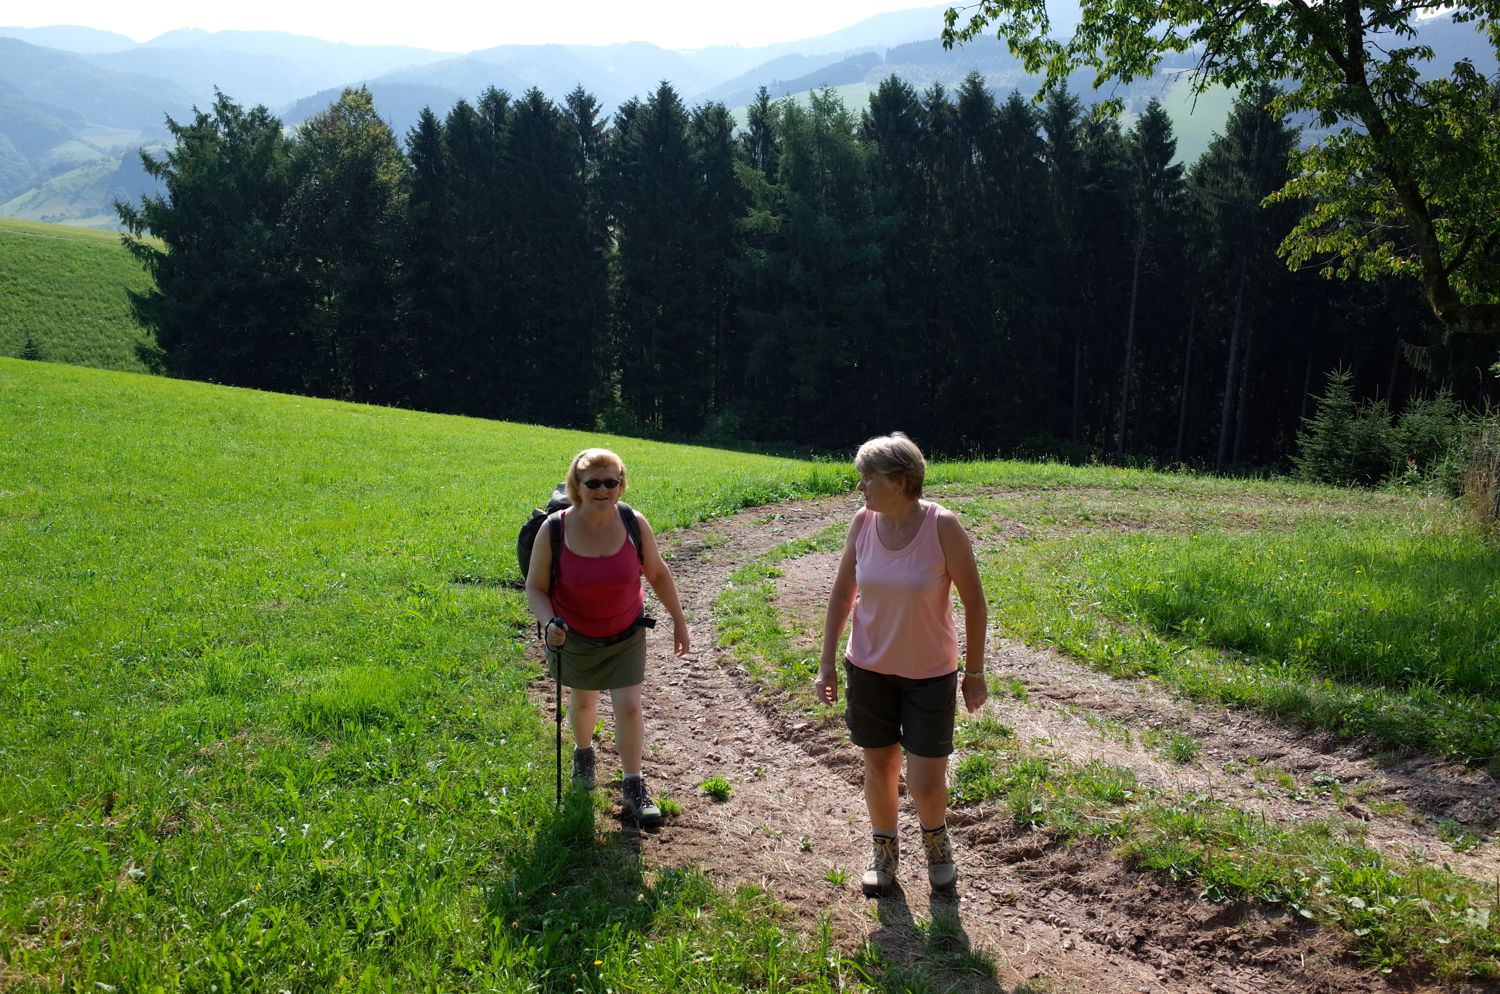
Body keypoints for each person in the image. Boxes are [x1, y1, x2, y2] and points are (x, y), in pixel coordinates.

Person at [816, 432, 989, 896]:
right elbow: (842, 593)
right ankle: (884, 850)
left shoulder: (942, 526)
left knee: (926, 782)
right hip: (869, 669)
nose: (860, 487)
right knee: (880, 768)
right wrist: (827, 662)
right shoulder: (862, 522)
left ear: (901, 480)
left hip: (929, 675)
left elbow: (974, 601)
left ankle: (936, 843)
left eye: (868, 477)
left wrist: (974, 673)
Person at [525, 448, 691, 827]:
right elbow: (535, 587)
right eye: (593, 483)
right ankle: (583, 755)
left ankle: (633, 785)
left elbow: (658, 573)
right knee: (584, 703)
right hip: (575, 635)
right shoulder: (555, 529)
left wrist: (679, 621)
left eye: (611, 482)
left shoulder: (633, 523)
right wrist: (549, 623)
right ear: (577, 486)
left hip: (625, 633)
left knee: (629, 707)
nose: (603, 490)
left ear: (621, 484)